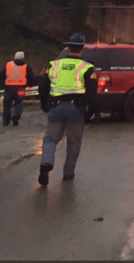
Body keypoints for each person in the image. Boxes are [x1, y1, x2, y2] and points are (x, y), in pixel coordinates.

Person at [37, 33, 96, 185]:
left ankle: (46, 163)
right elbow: (91, 92)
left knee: (50, 139)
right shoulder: (87, 67)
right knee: (73, 141)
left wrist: (44, 104)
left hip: (55, 108)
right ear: (82, 48)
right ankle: (68, 173)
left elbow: (42, 86)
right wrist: (91, 110)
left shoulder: (54, 65)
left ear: (68, 47)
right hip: (76, 110)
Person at [0, 51, 35, 127]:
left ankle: (6, 121)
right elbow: (31, 76)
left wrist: (5, 80)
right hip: (20, 87)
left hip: (9, 87)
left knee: (7, 105)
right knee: (19, 103)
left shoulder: (9, 64)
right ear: (23, 57)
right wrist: (31, 84)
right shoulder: (26, 66)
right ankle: (16, 116)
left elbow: (1, 75)